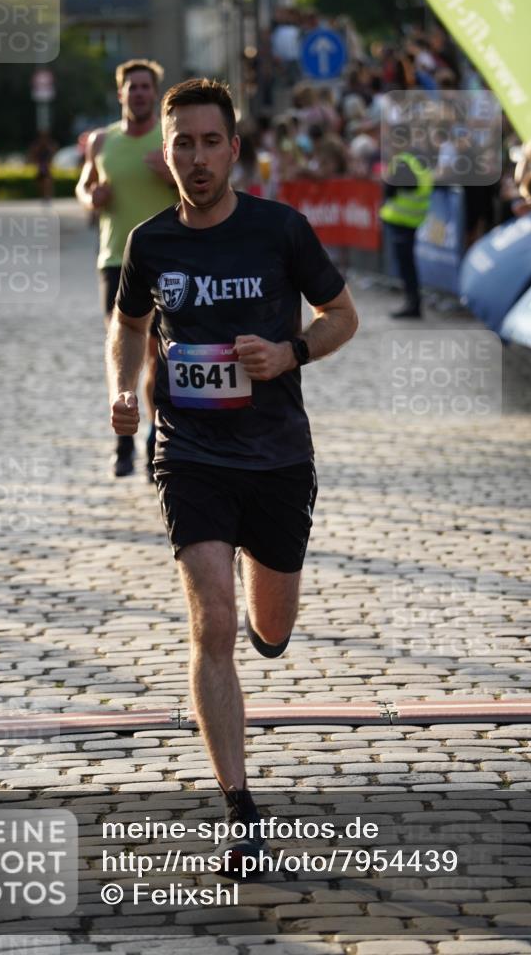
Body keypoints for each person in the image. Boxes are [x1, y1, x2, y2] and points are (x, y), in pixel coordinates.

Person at [105, 78, 358, 875]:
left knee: (268, 631)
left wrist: (291, 352)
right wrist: (121, 389)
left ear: (234, 150)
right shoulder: (150, 242)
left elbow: (343, 316)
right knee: (210, 624)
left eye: (210, 142)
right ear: (166, 152)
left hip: (277, 454)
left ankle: (262, 610)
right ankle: (240, 812)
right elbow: (129, 324)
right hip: (190, 455)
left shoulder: (279, 229)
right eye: (183, 143)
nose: (197, 157)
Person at [76, 58, 177, 478]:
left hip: (165, 259)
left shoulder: (169, 139)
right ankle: (122, 440)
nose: (138, 93)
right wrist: (90, 198)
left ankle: (154, 435)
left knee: (156, 355)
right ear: (120, 94)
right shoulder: (103, 140)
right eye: (132, 87)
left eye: (145, 87)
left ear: (155, 94)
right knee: (123, 349)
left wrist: (171, 176)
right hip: (116, 259)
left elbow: (199, 188)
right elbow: (84, 184)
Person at [380, 152, 433, 318]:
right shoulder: (419, 161)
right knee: (408, 264)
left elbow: (393, 189)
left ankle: (413, 304)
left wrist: (387, 182)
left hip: (401, 220)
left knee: (406, 266)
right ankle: (412, 302)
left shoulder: (402, 162)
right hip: (412, 220)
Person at [28, 130, 58, 203]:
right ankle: (44, 195)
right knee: (41, 183)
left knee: (48, 181)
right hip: (40, 167)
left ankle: (48, 195)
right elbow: (32, 155)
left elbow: (54, 152)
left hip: (46, 167)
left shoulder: (49, 145)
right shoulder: (37, 145)